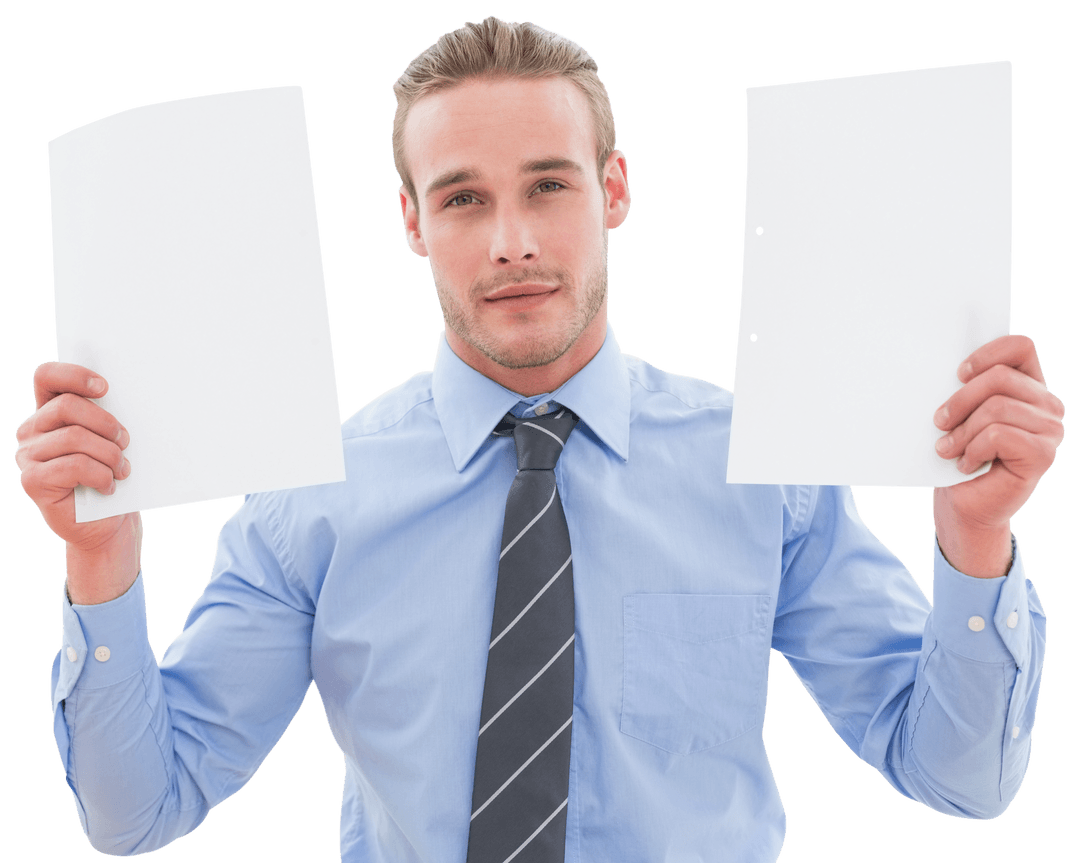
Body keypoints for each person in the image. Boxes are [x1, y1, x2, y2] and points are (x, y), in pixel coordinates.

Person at [14, 15, 1064, 863]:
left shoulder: (765, 473)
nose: (511, 239)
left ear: (612, 189)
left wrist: (976, 539)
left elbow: (956, 777)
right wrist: (99, 555)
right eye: (463, 198)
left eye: (548, 184)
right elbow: (140, 809)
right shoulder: (311, 503)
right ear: (414, 223)